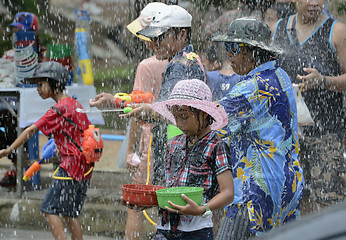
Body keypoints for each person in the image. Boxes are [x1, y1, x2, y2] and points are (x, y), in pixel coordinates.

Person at [90, 4, 207, 188]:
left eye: (160, 37)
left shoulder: (179, 66)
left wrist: (119, 103)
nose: (154, 43)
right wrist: (116, 101)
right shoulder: (191, 59)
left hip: (178, 148)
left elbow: (165, 111)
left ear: (182, 34)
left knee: (169, 208)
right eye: (153, 37)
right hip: (185, 146)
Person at [212, 17, 304, 238]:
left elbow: (208, 120)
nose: (228, 55)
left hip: (255, 189)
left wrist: (154, 111)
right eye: (227, 47)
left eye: (233, 48)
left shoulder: (253, 87)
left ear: (252, 51)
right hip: (287, 184)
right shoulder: (280, 76)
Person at [0, 61, 93, 240]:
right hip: (85, 166)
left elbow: (30, 130)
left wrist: (9, 149)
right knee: (70, 213)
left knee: (49, 209)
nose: (38, 89)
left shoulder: (59, 109)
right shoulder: (74, 103)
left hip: (70, 168)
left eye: (41, 84)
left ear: (55, 84)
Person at [272, 0, 346, 214]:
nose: (315, 3)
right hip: (288, 134)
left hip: (326, 133)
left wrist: (323, 81)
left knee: (330, 200)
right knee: (292, 198)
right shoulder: (279, 28)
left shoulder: (337, 31)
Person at [145, 79, 234, 239]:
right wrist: (147, 201)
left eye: (184, 117)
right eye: (176, 117)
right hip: (165, 227)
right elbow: (169, 187)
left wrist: (202, 209)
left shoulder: (216, 146)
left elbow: (228, 193)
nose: (179, 123)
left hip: (196, 230)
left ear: (204, 113)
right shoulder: (173, 144)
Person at [125, 2, 169, 239]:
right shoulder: (186, 60)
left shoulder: (147, 66)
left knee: (135, 203)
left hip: (150, 143)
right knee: (169, 201)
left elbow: (135, 113)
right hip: (174, 140)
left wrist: (131, 150)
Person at [0, 12, 46, 187]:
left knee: (20, 124)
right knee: (7, 120)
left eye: (21, 32)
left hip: (32, 106)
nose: (17, 37)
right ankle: (18, 162)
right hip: (9, 105)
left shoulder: (42, 56)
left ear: (32, 34)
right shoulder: (8, 55)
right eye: (15, 32)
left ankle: (22, 164)